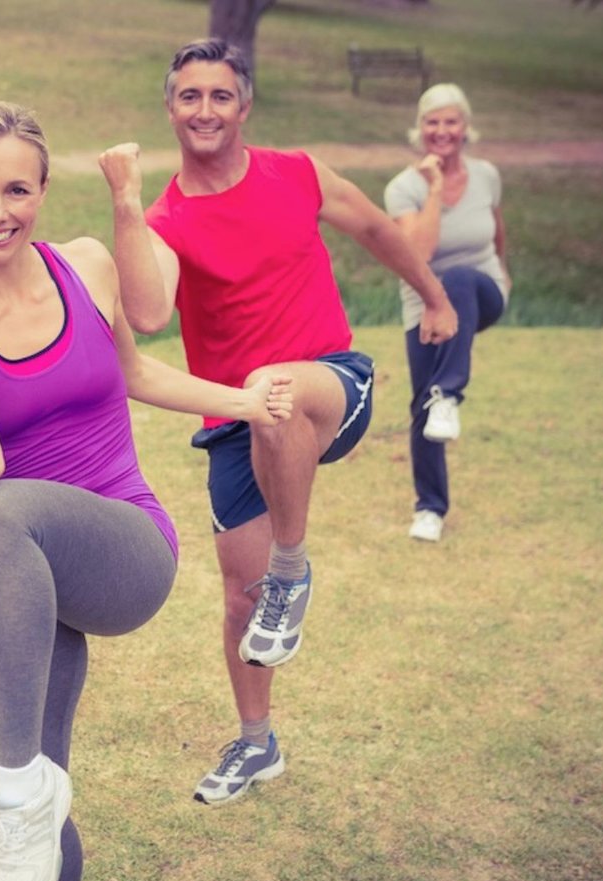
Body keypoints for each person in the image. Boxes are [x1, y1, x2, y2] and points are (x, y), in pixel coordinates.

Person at [0, 101, 292, 881]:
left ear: (44, 191)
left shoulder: (85, 264)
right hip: (29, 583)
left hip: (127, 549)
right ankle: (27, 806)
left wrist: (242, 402)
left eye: (17, 191)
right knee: (34, 784)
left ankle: (17, 796)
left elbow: (135, 372)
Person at [101, 39, 458, 806]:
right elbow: (147, 313)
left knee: (275, 392)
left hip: (330, 384)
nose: (204, 109)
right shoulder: (165, 217)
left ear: (245, 104)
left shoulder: (295, 172)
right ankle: (257, 741)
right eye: (189, 96)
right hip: (237, 419)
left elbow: (375, 230)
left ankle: (294, 568)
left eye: (220, 95)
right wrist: (127, 203)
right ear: (170, 109)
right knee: (240, 595)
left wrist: (433, 295)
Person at [383, 83, 509, 543]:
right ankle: (429, 510)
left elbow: (495, 228)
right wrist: (434, 187)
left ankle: (450, 394)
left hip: (481, 294)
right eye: (432, 122)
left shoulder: (487, 174)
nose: (442, 131)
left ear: (465, 127)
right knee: (423, 406)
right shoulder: (403, 188)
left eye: (451, 121)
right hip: (424, 305)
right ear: (420, 129)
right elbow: (418, 252)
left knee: (457, 279)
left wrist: (505, 273)